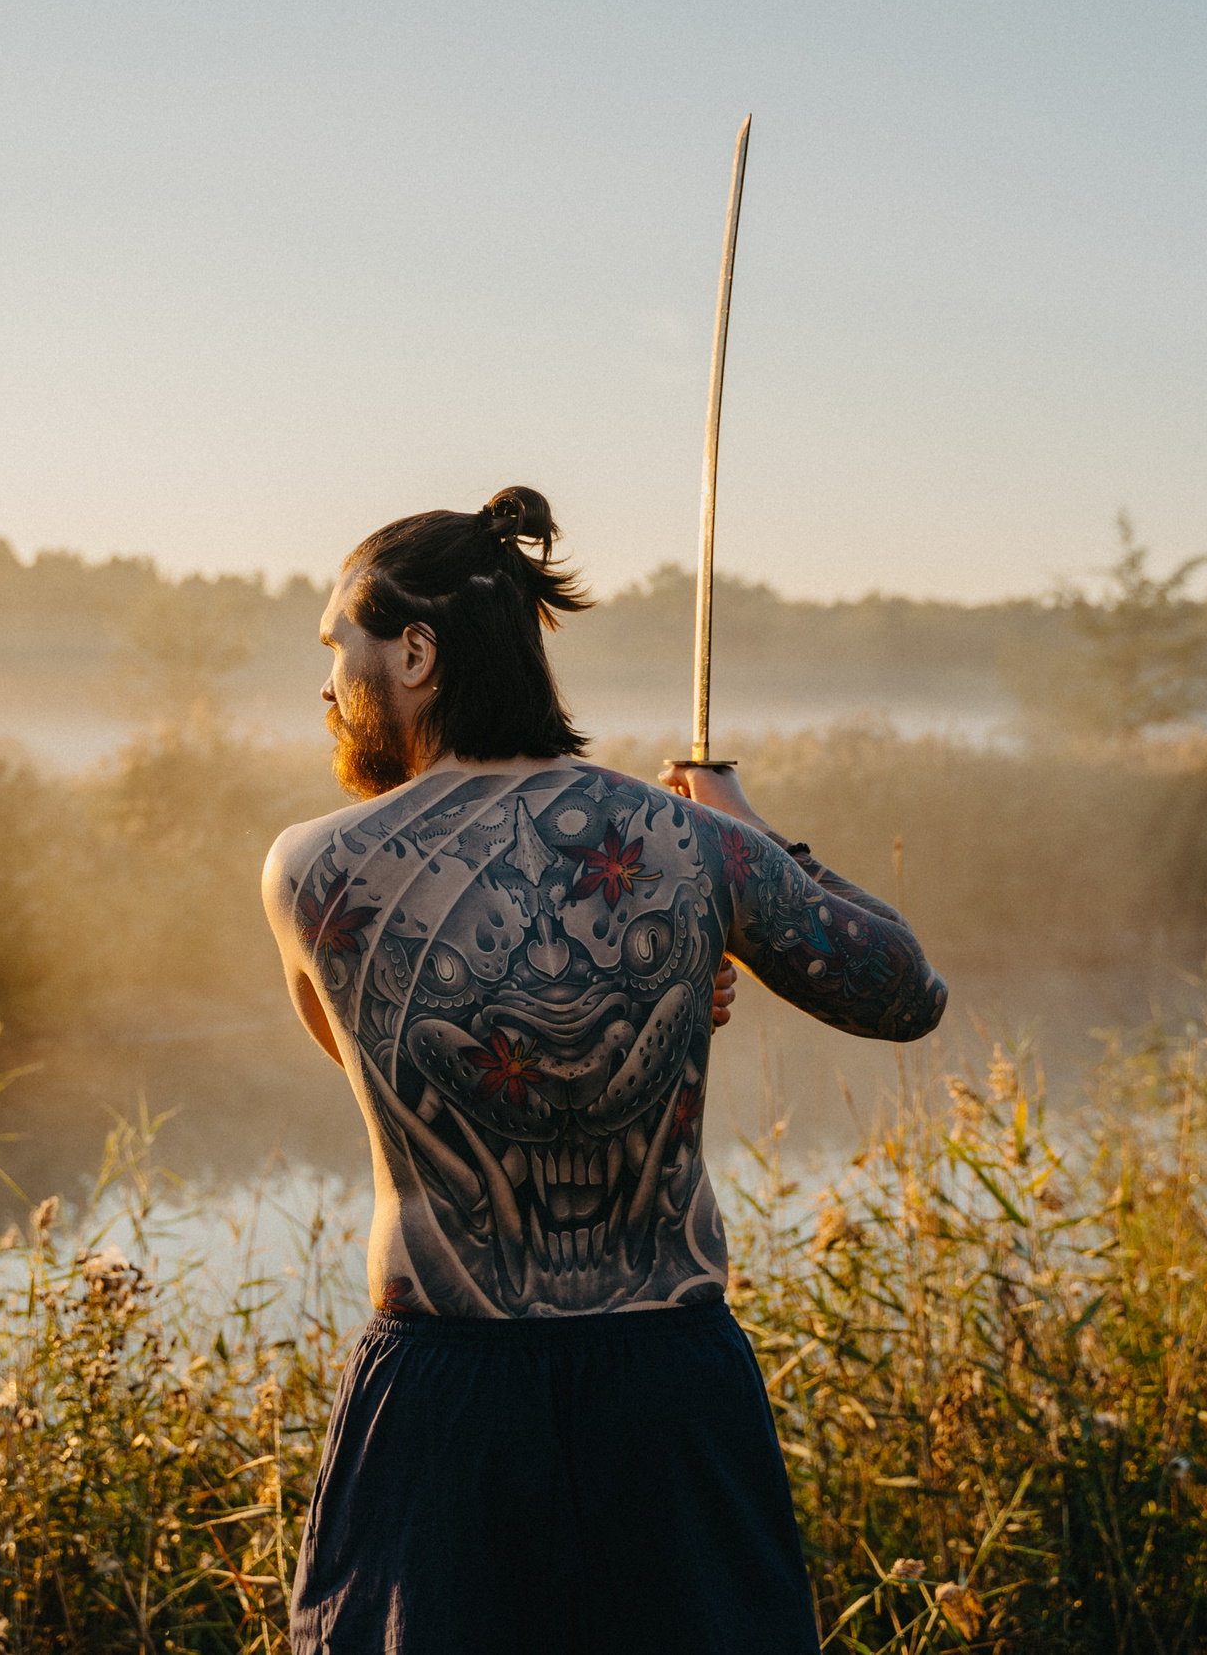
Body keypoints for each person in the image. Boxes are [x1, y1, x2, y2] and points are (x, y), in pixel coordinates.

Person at [261, 486, 947, 1655]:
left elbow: (373, 1059)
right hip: (665, 1392)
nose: (325, 683)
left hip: (445, 1400)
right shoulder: (692, 846)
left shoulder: (316, 871)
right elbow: (903, 992)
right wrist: (747, 837)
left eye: (340, 647)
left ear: (417, 652)